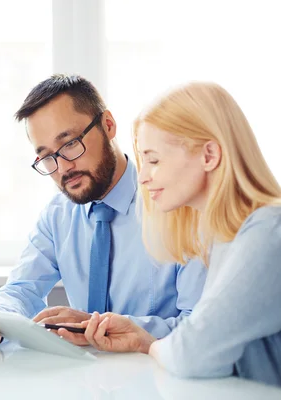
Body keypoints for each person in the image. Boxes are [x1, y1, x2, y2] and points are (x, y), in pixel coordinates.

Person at [0, 74, 206, 352]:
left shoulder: (178, 205)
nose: (62, 168)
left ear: (108, 125)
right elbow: (22, 288)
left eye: (70, 144)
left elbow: (199, 326)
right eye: (47, 156)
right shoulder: (58, 215)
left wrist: (105, 326)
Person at [57, 82, 281, 387]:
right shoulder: (227, 237)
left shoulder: (268, 232)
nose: (144, 176)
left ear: (209, 155)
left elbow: (192, 352)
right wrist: (142, 339)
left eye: (154, 160)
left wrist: (152, 346)